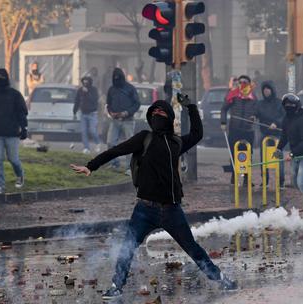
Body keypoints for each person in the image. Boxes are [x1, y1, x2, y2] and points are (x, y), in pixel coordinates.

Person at [70, 94, 237, 300]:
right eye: (154, 112)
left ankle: (221, 279)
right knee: (127, 249)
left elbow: (196, 134)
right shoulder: (144, 138)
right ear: (150, 116)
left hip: (171, 210)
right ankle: (116, 286)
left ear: (169, 117)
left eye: (162, 112)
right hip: (144, 210)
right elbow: (117, 150)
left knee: (193, 249)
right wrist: (90, 166)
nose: (158, 115)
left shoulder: (176, 142)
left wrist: (191, 107)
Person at [0, 69, 28, 194]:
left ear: (7, 78)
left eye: (2, 76)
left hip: (12, 133)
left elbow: (22, 113)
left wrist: (24, 128)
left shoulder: (15, 95)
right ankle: (0, 186)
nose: (0, 78)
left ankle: (20, 175)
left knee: (13, 159)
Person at [274, 94, 303, 211]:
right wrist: (279, 148)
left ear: (297, 107)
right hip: (296, 156)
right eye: (286, 106)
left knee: (302, 182)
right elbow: (284, 136)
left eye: (291, 106)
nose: (289, 108)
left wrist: (292, 153)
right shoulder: (286, 119)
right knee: (295, 182)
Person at [221, 75, 258, 184]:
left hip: (248, 130)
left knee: (247, 154)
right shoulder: (233, 95)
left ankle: (247, 178)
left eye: (245, 82)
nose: (242, 84)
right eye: (240, 82)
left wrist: (254, 117)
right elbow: (224, 109)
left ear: (249, 83)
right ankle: (234, 176)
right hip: (234, 129)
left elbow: (257, 111)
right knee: (234, 153)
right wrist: (223, 122)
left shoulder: (253, 97)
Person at [106, 68, 141, 174]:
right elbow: (108, 104)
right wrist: (111, 112)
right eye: (115, 79)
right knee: (110, 142)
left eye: (118, 79)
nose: (117, 81)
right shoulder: (111, 89)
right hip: (115, 120)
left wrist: (126, 112)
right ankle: (114, 163)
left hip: (128, 120)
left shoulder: (130, 89)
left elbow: (137, 104)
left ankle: (129, 167)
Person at [257, 81, 285, 187]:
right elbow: (256, 113)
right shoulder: (260, 104)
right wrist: (253, 117)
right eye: (264, 89)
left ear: (272, 90)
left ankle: (281, 181)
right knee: (263, 159)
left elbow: (284, 116)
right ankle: (265, 180)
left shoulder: (279, 103)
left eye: (268, 89)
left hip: (277, 135)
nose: (266, 91)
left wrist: (276, 123)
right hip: (265, 134)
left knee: (278, 158)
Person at [73, 76, 101, 154]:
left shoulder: (94, 90)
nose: (85, 84)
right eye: (84, 82)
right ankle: (86, 148)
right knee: (83, 131)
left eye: (86, 82)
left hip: (92, 113)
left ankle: (97, 142)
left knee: (92, 130)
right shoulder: (80, 90)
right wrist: (74, 112)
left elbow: (94, 100)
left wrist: (87, 92)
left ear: (90, 82)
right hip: (83, 114)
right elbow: (77, 101)